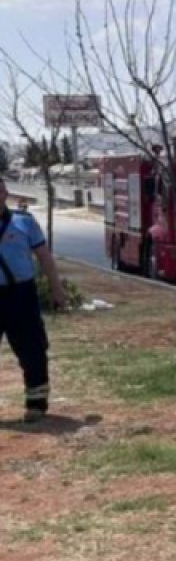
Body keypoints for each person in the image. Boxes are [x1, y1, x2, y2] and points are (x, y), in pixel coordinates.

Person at [0, 177, 66, 423]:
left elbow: (44, 257)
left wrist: (56, 288)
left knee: (32, 350)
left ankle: (36, 403)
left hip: (21, 294)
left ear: (5, 194)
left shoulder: (23, 222)